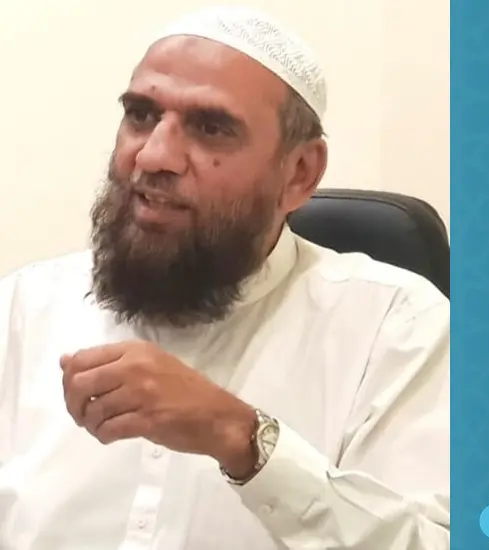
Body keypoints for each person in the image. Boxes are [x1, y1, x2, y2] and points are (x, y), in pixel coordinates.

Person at [0, 6, 449, 549]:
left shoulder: (396, 331)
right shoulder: (24, 308)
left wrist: (240, 437)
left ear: (300, 172)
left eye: (211, 128)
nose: (154, 156)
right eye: (141, 115)